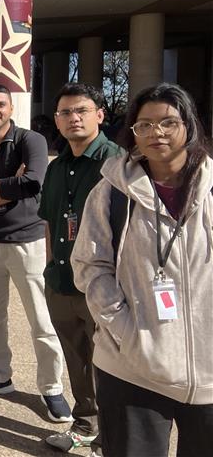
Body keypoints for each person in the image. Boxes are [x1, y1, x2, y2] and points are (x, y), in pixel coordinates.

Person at [73, 83, 213, 457]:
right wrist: (126, 332)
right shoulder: (111, 192)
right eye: (144, 125)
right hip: (131, 370)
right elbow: (90, 267)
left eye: (168, 122)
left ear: (189, 126)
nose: (156, 133)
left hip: (209, 377)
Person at [0, 83, 71, 422]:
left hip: (27, 243)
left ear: (10, 108)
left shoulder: (31, 141)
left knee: (42, 320)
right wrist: (9, 188)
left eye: (0, 104)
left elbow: (32, 183)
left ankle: (51, 387)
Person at [39, 84, 122, 453]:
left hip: (103, 286)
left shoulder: (117, 164)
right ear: (57, 121)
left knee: (113, 364)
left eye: (82, 110)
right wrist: (49, 268)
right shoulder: (56, 168)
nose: (73, 118)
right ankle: (86, 423)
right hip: (61, 283)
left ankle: (114, 435)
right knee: (77, 359)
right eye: (65, 112)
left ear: (99, 115)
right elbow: (50, 221)